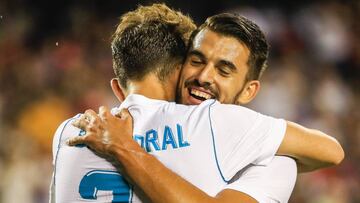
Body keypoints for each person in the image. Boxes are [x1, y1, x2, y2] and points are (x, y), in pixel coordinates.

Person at [53, 4, 344, 203]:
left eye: (224, 69)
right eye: (196, 61)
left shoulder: (68, 132)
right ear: (177, 69)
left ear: (249, 91)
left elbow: (333, 151)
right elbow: (329, 151)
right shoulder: (213, 124)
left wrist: (124, 147)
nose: (204, 77)